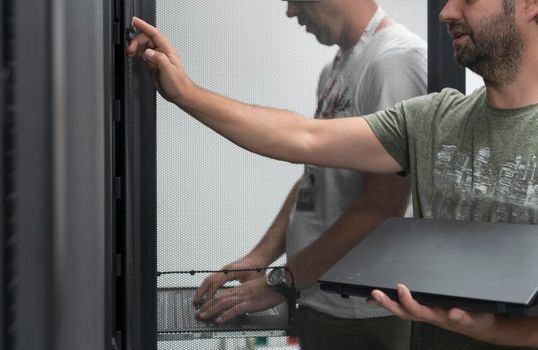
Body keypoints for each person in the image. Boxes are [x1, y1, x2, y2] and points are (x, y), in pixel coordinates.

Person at [127, 0, 538, 348]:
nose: (446, 11)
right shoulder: (434, 118)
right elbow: (303, 138)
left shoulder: (396, 60)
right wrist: (186, 93)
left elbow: (378, 205)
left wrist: (496, 329)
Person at [169, 1, 425, 349]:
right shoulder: (338, 67)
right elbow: (315, 177)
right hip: (319, 300)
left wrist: (282, 281)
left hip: (368, 315)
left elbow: (382, 207)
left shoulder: (394, 62)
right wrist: (262, 257)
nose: (290, 12)